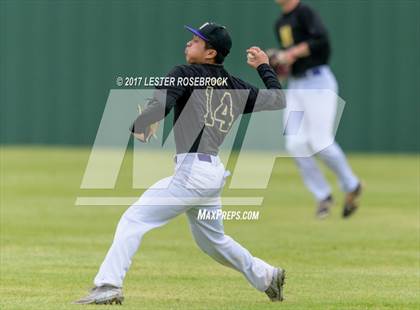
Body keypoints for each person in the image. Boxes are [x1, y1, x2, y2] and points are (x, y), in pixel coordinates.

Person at [74, 22, 286, 305]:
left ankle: (108, 284)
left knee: (134, 218)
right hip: (211, 173)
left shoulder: (184, 73)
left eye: (196, 40)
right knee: (213, 243)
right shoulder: (234, 85)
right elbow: (277, 99)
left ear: (211, 53)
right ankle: (267, 275)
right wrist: (263, 66)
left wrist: (141, 123)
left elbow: (163, 104)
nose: (189, 43)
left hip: (193, 173)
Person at [272, 0, 362, 218]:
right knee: (294, 143)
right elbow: (287, 62)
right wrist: (276, 63)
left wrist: (289, 54)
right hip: (296, 86)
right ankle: (323, 196)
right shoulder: (281, 22)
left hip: (317, 81)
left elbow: (321, 40)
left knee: (320, 141)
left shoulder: (305, 12)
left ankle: (351, 185)